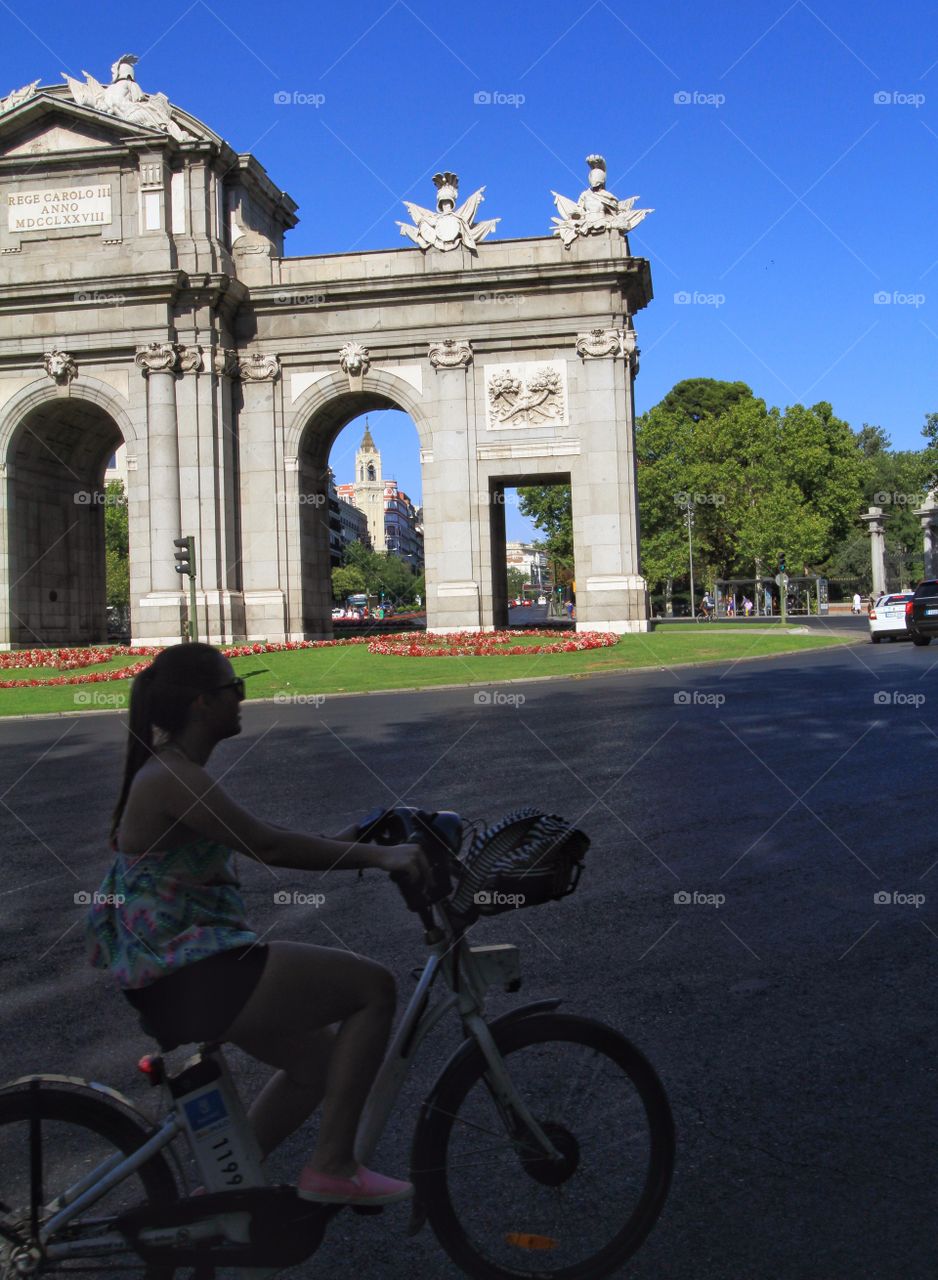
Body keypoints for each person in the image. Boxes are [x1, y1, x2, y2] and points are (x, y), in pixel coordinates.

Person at [86, 643, 429, 1206]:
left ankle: (225, 1197)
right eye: (236, 688)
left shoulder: (173, 771)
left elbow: (267, 837)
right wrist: (381, 857)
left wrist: (355, 838)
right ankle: (333, 1166)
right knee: (374, 988)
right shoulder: (172, 776)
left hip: (182, 970)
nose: (243, 699)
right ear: (203, 703)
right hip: (191, 973)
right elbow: (268, 846)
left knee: (315, 1064)